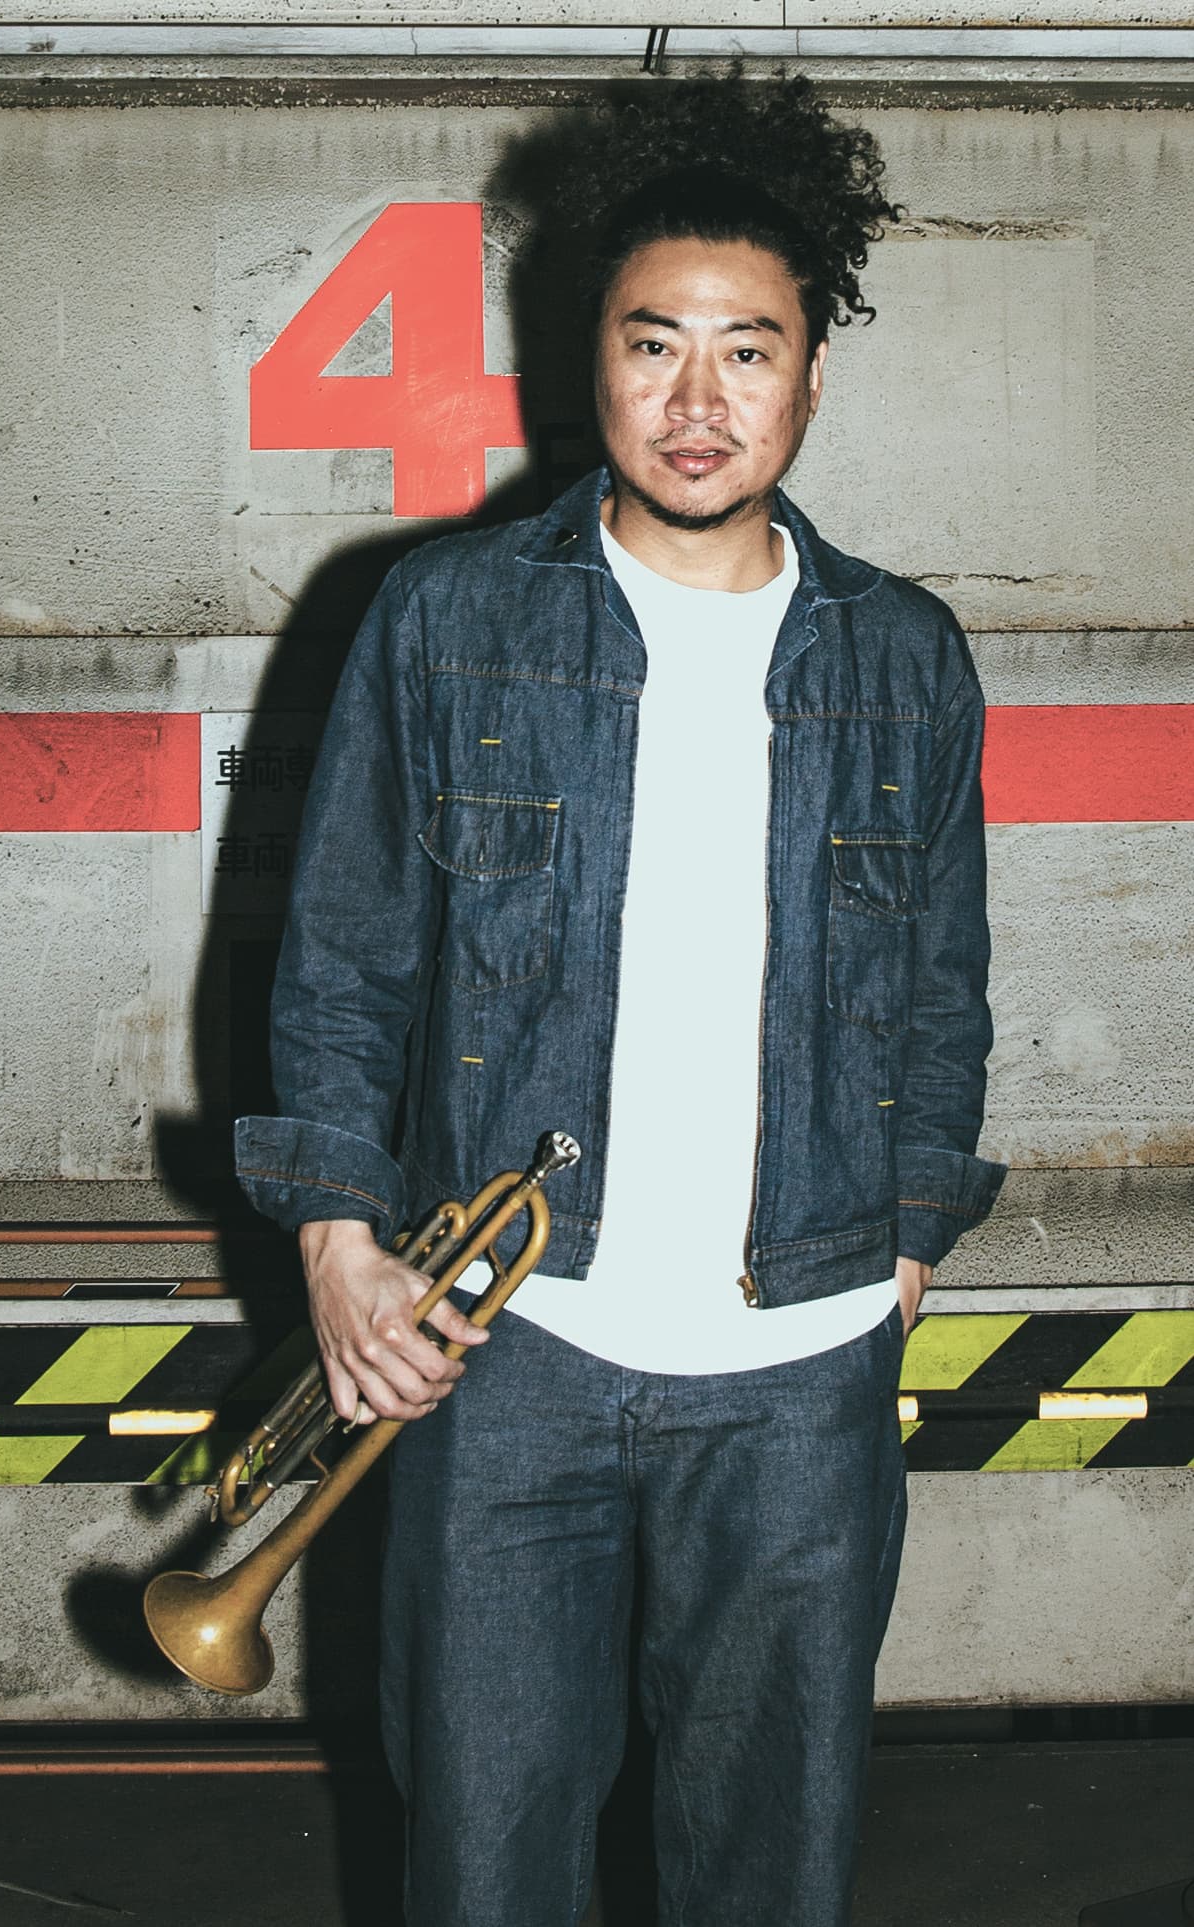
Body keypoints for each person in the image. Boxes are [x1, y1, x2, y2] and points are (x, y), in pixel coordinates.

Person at [235, 61, 1007, 1927]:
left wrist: (904, 1244)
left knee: (770, 1871)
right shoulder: (448, 621)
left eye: (747, 351)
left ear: (811, 376)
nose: (696, 400)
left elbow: (940, 988)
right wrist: (339, 1248)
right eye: (653, 345)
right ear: (582, 360)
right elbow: (342, 959)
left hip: (801, 1365)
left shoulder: (902, 657)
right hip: (514, 1358)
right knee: (484, 1864)